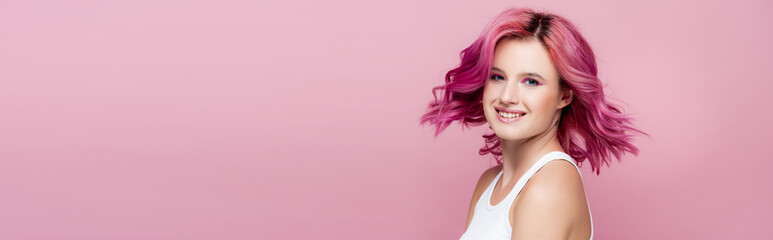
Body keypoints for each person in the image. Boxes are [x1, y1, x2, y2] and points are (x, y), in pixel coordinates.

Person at [419, 7, 649, 240]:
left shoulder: (549, 187)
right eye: (497, 77)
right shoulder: (489, 184)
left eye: (530, 81)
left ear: (564, 96)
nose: (507, 96)